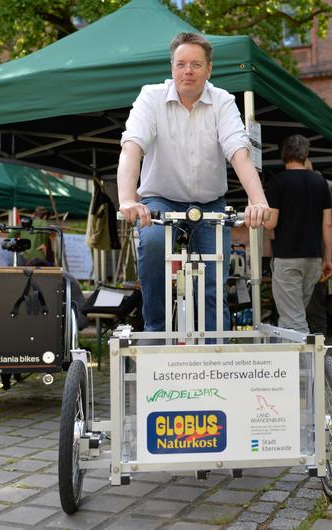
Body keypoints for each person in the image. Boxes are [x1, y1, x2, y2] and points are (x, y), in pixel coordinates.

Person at [117, 32, 269, 333]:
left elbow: (239, 152)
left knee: (213, 279)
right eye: (181, 64)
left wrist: (258, 200)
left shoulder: (223, 101)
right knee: (154, 243)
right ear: (172, 68)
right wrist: (128, 199)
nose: (188, 71)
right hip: (160, 199)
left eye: (196, 65)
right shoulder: (151, 97)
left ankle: (217, 349)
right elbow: (132, 147)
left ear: (208, 70)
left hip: (210, 203)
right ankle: (156, 333)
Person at [263, 135, 332, 333]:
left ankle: (305, 363)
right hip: (313, 259)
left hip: (287, 259)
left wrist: (257, 209)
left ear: (283, 155)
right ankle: (289, 362)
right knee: (293, 314)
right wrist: (327, 259)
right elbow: (327, 225)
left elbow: (271, 224)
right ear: (306, 155)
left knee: (294, 320)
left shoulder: (277, 182)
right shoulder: (321, 183)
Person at [305, 158, 332, 335]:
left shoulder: (328, 187)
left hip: (318, 256)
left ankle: (319, 358)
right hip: (302, 256)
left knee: (314, 309)